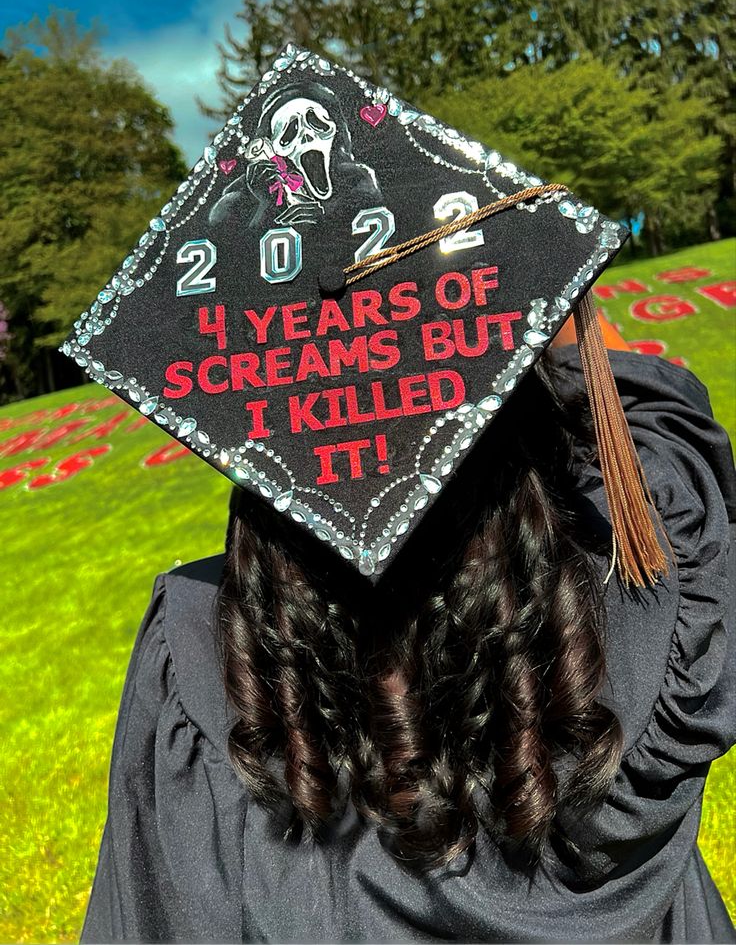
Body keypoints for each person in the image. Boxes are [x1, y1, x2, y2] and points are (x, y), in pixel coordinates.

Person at [79, 311, 736, 944]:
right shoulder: (643, 581)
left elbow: (157, 909)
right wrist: (516, 244)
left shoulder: (202, 651)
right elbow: (648, 407)